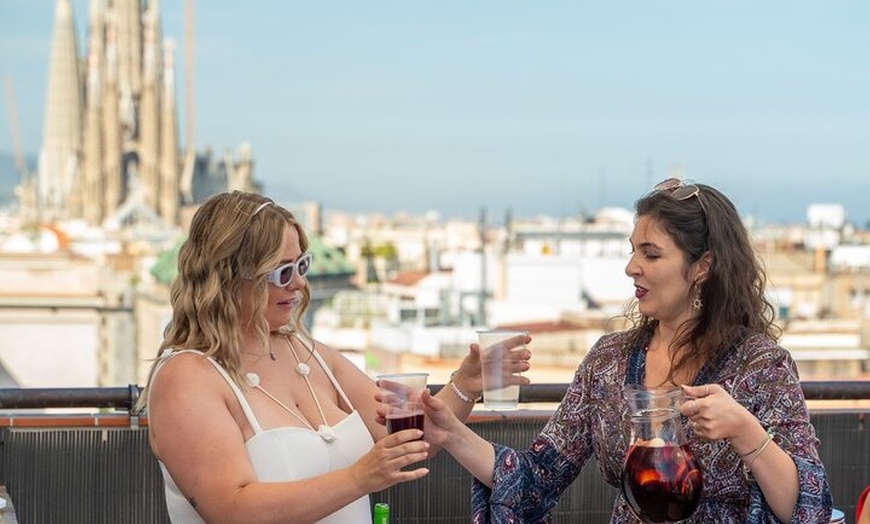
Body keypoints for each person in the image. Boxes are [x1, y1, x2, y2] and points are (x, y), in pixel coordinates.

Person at [422, 179, 833, 523]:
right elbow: (537, 478)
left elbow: (807, 509)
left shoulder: (761, 366)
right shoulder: (608, 362)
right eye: (632, 250)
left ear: (703, 267)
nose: (631, 267)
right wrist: (452, 433)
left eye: (651, 253)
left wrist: (746, 431)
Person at [137, 190, 530, 524]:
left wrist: (465, 383)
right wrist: (359, 478)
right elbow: (231, 509)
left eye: (301, 265)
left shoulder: (310, 354)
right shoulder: (187, 378)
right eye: (282, 272)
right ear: (229, 277)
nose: (301, 283)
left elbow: (408, 439)